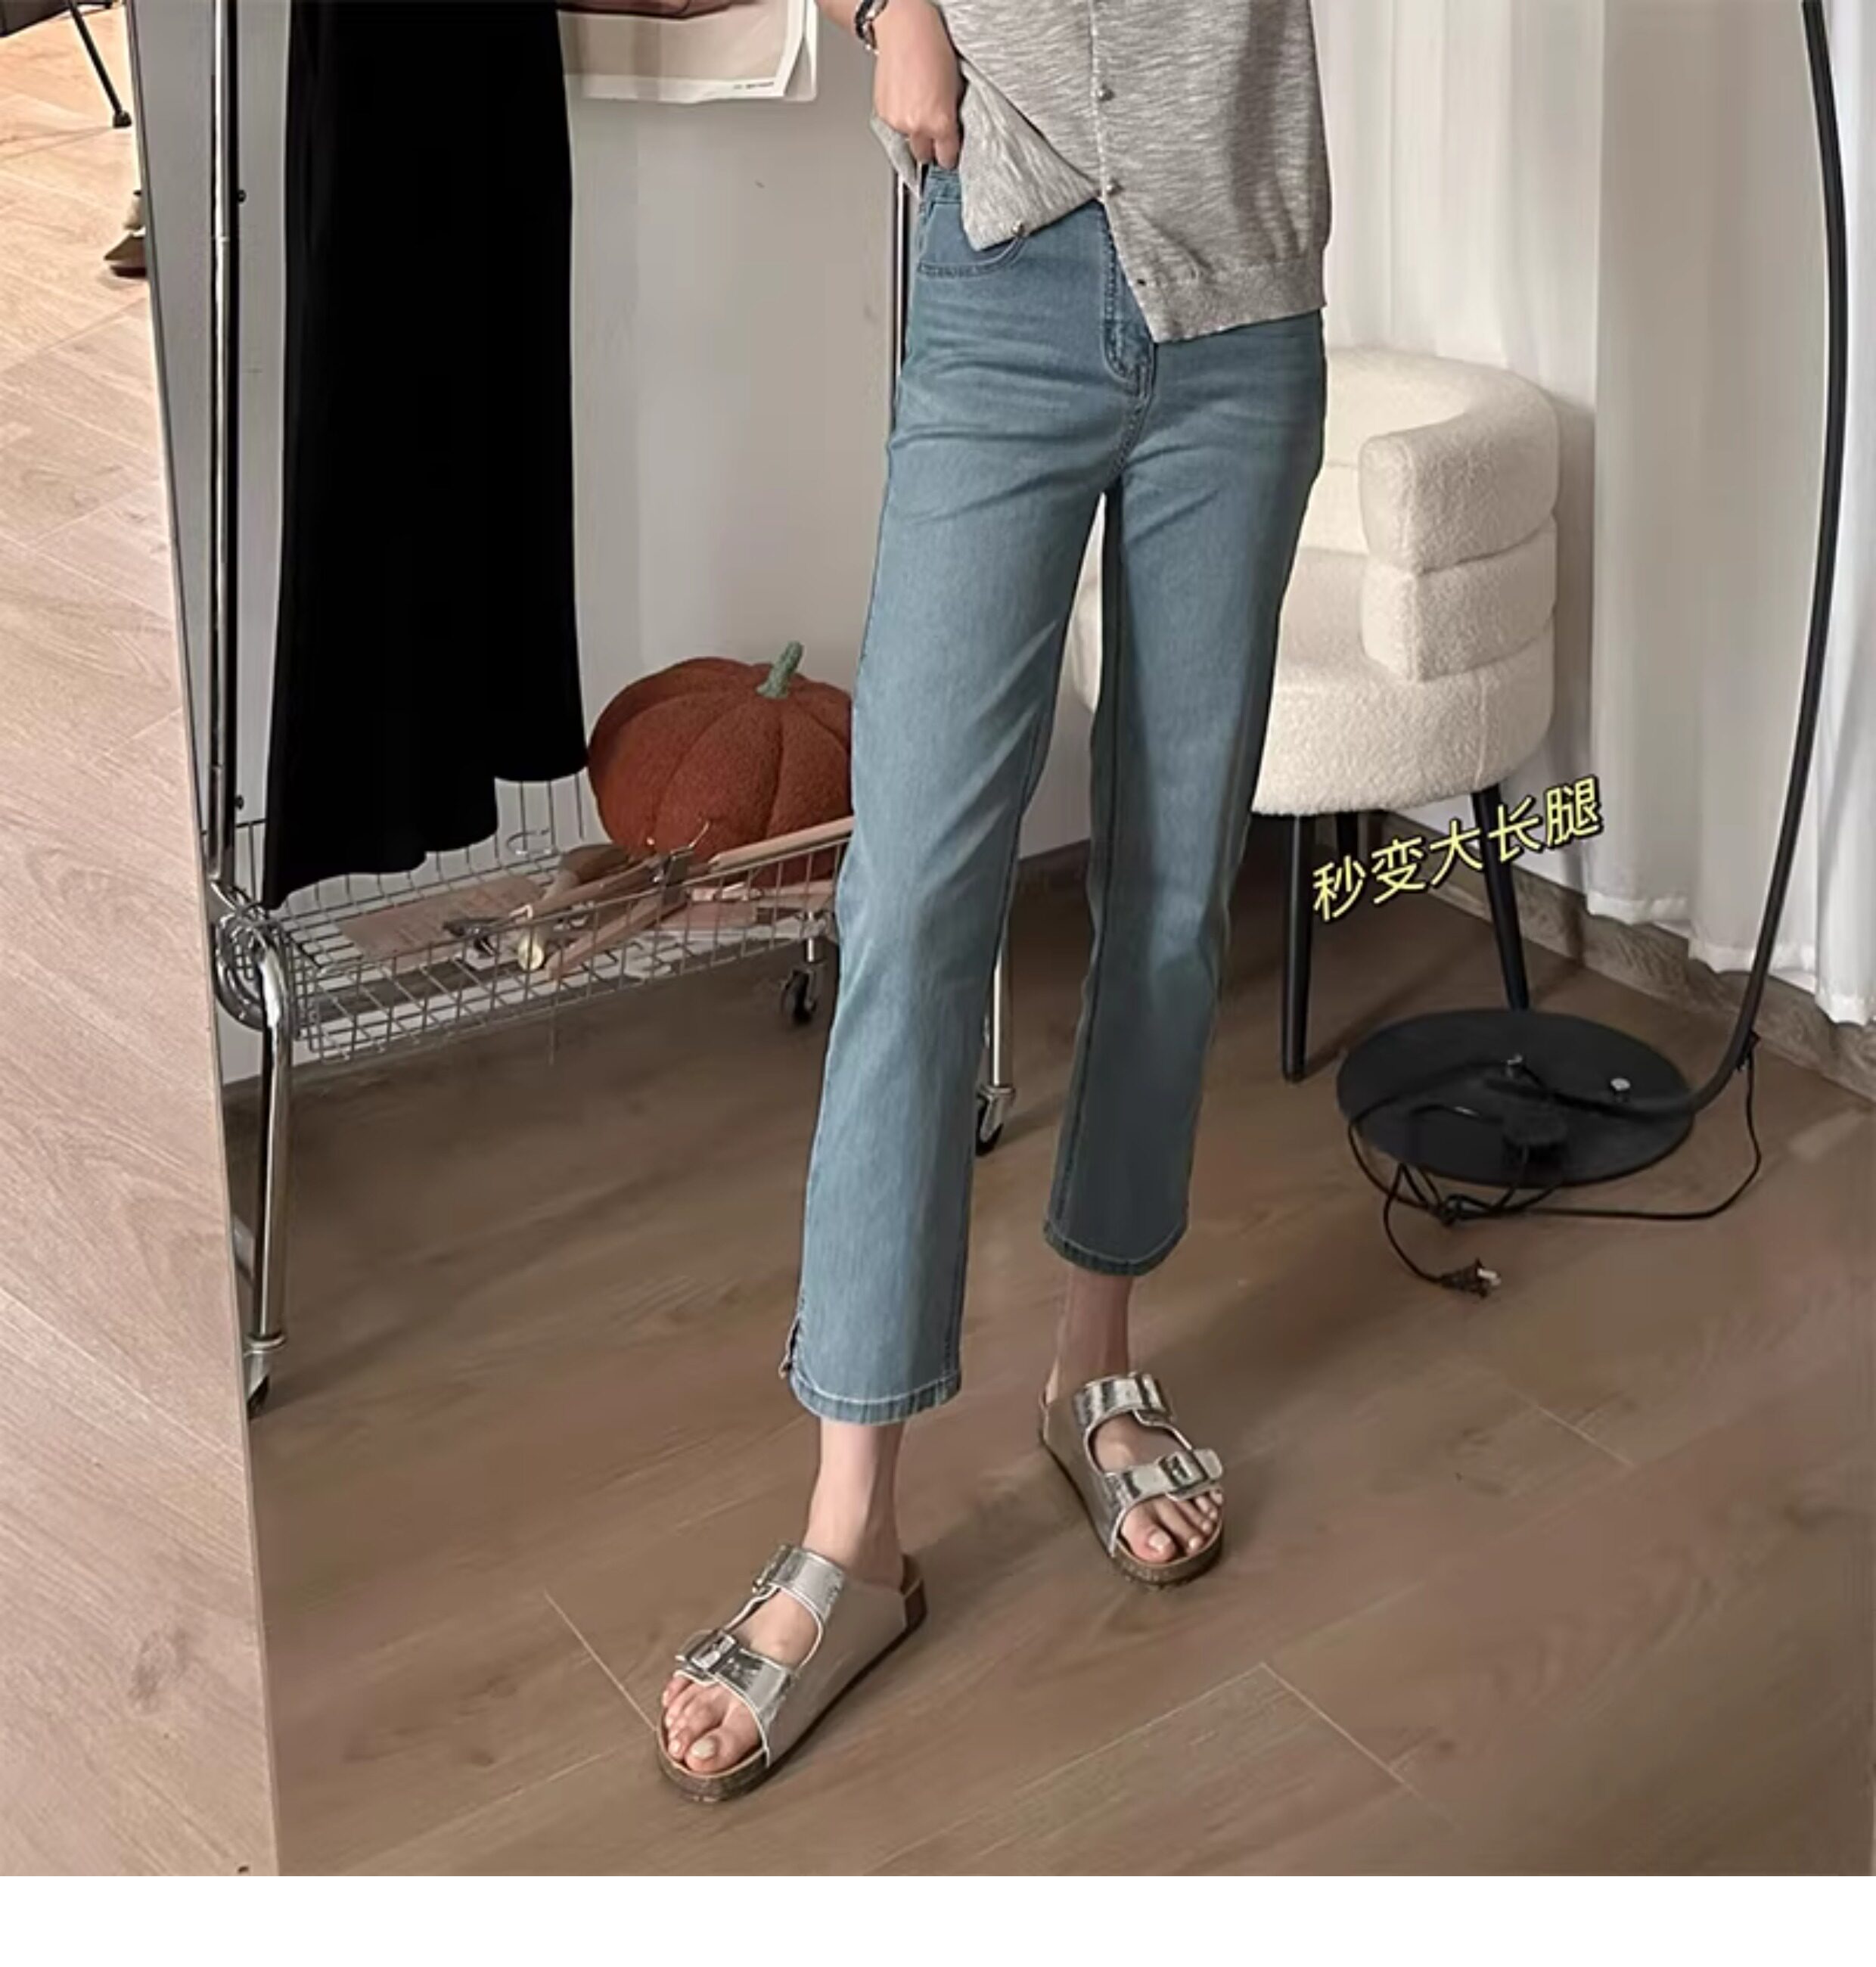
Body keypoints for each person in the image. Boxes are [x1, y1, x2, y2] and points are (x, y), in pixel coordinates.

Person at [659, 0, 1331, 1801]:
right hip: (1003, 274)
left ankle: (1093, 1374)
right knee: (911, 906)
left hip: (1245, 297)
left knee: (1173, 892)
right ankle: (854, 1528)